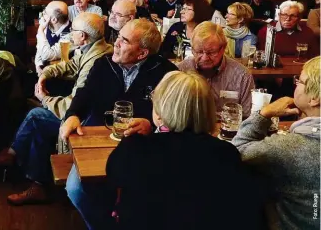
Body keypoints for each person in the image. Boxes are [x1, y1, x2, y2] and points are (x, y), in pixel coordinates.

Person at [107, 71, 265, 230]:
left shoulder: (135, 148)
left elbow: (113, 176)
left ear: (161, 111)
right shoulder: (226, 153)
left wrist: (145, 136)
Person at [61, 19, 178, 230]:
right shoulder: (103, 64)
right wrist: (72, 114)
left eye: (124, 41)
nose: (115, 43)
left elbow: (174, 116)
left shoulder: (167, 73)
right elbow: (85, 93)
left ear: (142, 53)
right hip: (98, 137)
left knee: (146, 189)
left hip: (143, 144)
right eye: (118, 37)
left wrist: (152, 125)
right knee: (76, 189)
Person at [0, 13, 112, 204]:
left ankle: (14, 156)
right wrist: (45, 74)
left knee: (36, 115)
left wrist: (45, 98)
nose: (70, 34)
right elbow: (69, 66)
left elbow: (75, 104)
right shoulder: (93, 49)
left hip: (86, 121)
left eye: (73, 31)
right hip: (82, 113)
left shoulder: (96, 61)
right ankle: (35, 179)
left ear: (84, 37)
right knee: (37, 122)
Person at [232, 56, 320, 230]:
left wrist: (264, 114)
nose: (295, 84)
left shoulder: (289, 147)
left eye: (300, 81)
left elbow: (237, 151)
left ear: (314, 99)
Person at [178, 21, 255, 117]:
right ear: (192, 49)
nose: (205, 58)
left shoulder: (241, 75)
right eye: (199, 52)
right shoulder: (181, 71)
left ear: (223, 48)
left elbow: (248, 117)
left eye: (211, 52)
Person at [34, 1, 72, 73]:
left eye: (45, 13)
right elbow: (40, 47)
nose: (42, 15)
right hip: (45, 71)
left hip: (61, 75)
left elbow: (47, 55)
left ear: (54, 20)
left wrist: (40, 30)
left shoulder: (70, 35)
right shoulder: (47, 26)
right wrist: (38, 65)